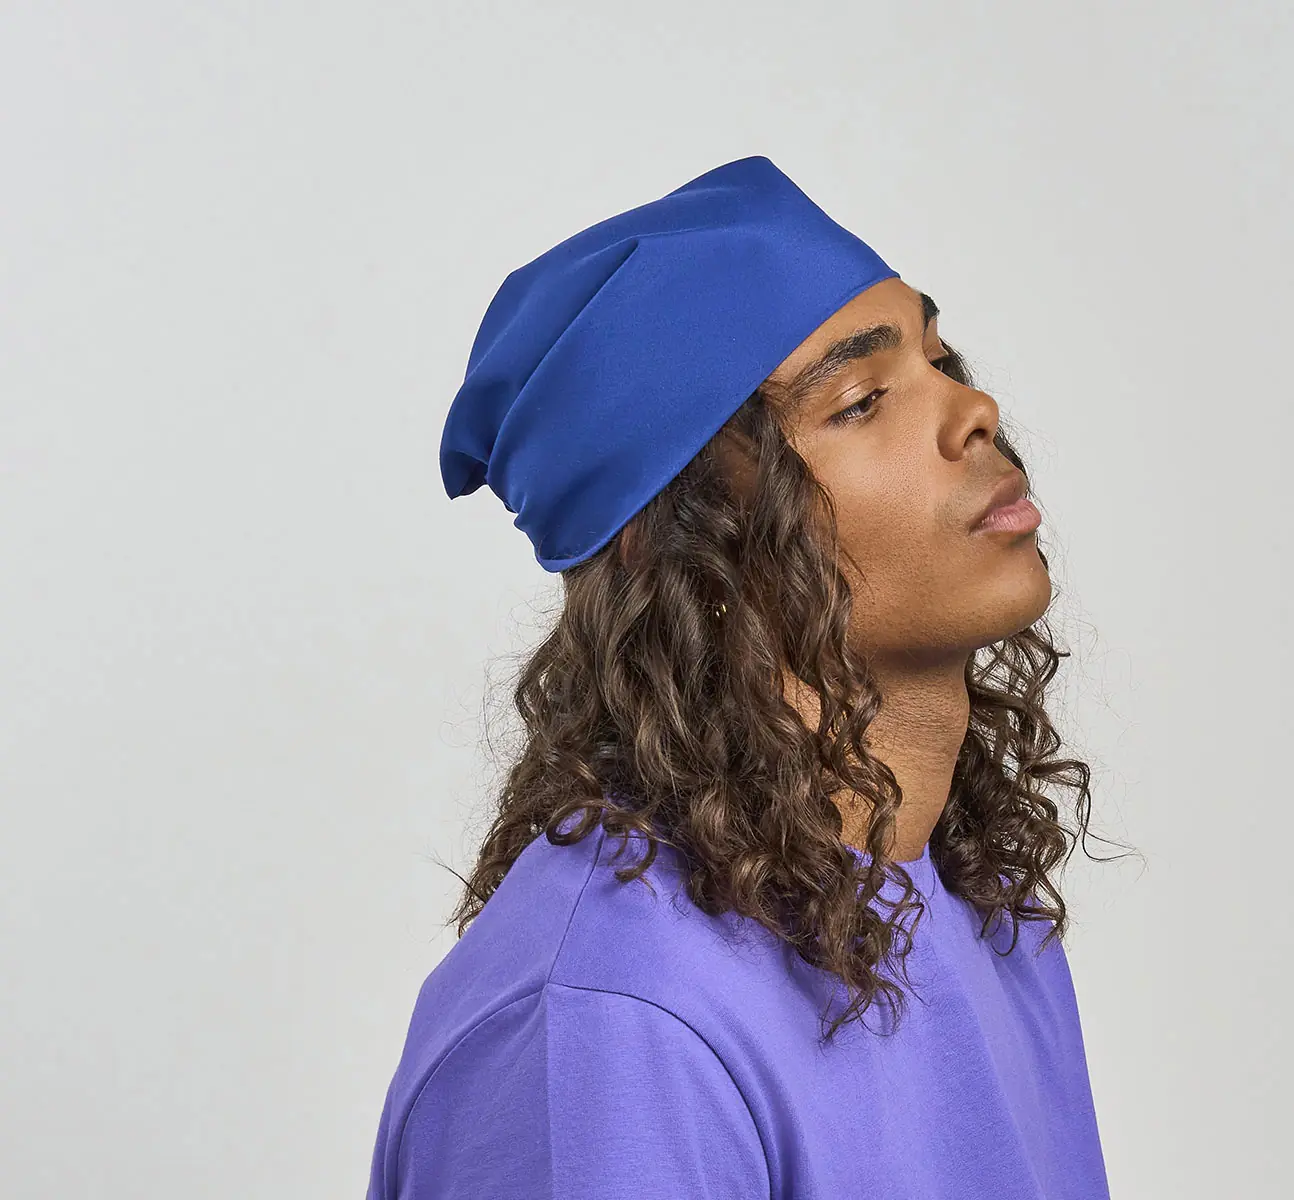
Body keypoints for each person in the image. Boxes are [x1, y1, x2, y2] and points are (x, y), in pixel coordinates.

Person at [364, 155, 1126, 1199]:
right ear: (684, 546)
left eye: (939, 359)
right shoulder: (609, 1029)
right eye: (862, 401)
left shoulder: (983, 920)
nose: (974, 409)